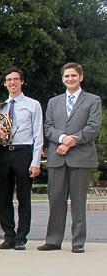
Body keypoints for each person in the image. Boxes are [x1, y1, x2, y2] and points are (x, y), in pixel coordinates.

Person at [39, 62, 102, 254]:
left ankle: (78, 242)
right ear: (62, 79)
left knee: (78, 201)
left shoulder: (93, 100)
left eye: (73, 76)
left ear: (80, 77)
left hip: (80, 157)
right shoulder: (54, 102)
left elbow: (93, 127)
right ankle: (53, 240)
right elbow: (48, 127)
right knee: (56, 200)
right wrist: (62, 139)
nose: (70, 79)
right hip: (57, 158)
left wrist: (71, 142)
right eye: (66, 76)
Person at [0, 67, 43, 251]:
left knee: (23, 196)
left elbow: (38, 134)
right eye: (8, 80)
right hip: (4, 152)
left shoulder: (33, 104)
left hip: (24, 152)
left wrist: (35, 161)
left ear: (22, 82)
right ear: (5, 83)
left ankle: (22, 237)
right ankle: (9, 236)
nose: (12, 83)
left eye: (15, 79)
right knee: (3, 196)